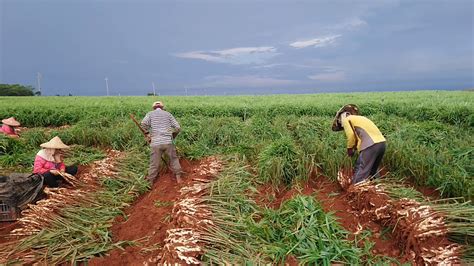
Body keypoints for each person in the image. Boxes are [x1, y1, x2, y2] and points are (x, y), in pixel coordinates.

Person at [332, 104, 386, 184]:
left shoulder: (347, 120)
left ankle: (355, 190)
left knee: (362, 169)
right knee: (373, 170)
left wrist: (349, 149)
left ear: (342, 116)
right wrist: (355, 147)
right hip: (382, 144)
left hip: (370, 145)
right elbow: (360, 136)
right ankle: (377, 188)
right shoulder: (361, 118)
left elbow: (351, 136)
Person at [141, 101, 183, 184]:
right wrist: (173, 136)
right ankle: (178, 178)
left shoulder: (150, 114)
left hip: (155, 142)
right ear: (162, 107)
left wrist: (148, 134)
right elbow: (178, 128)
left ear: (153, 108)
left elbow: (143, 124)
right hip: (168, 141)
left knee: (154, 163)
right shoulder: (168, 114)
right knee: (174, 159)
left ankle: (150, 181)